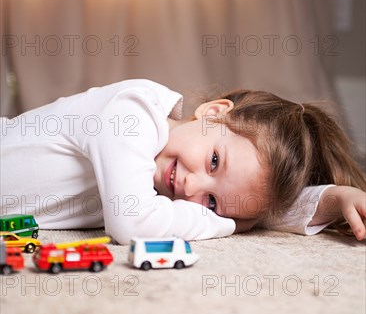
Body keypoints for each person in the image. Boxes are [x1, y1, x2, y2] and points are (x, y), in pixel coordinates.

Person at [1, 79, 365, 244]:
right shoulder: (132, 113)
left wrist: (337, 198)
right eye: (214, 162)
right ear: (213, 112)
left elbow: (258, 208)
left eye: (210, 203)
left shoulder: (163, 186)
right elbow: (132, 225)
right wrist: (227, 224)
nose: (192, 187)